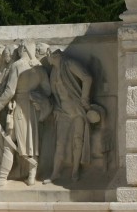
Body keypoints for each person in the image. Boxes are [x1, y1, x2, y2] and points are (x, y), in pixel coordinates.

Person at [0, 41, 52, 187]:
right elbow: (48, 91)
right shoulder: (39, 67)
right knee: (31, 142)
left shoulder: (17, 65)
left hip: (19, 107)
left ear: (22, 50)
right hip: (33, 109)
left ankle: (2, 178)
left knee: (9, 142)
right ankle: (32, 177)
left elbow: (10, 92)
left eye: (19, 48)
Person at [46, 50, 94, 182]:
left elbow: (87, 78)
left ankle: (75, 171)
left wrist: (84, 98)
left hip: (77, 108)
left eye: (46, 55)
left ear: (51, 54)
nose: (46, 58)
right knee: (60, 143)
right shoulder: (54, 71)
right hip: (63, 110)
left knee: (78, 141)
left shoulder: (69, 64)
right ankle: (55, 173)